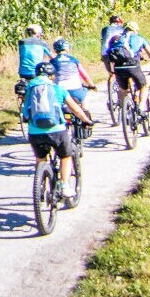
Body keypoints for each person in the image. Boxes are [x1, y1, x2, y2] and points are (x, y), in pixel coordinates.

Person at [21, 60, 91, 203]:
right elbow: (76, 109)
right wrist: (86, 120)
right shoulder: (58, 89)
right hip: (56, 130)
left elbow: (25, 114)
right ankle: (65, 185)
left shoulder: (30, 89)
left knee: (40, 159)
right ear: (52, 76)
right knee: (66, 156)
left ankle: (40, 187)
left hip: (35, 132)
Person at [118, 22, 150, 113]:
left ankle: (124, 111)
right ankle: (141, 108)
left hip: (119, 68)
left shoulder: (117, 39)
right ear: (135, 30)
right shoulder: (140, 39)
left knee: (123, 90)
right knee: (144, 85)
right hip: (133, 66)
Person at [48, 38, 95, 121]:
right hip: (75, 90)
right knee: (84, 98)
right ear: (67, 48)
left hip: (60, 90)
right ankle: (85, 116)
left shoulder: (52, 61)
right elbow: (84, 75)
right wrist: (92, 85)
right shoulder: (73, 60)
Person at [99, 14, 126, 80]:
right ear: (119, 22)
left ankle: (110, 89)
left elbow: (102, 42)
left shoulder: (105, 29)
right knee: (125, 72)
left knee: (111, 74)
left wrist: (102, 55)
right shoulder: (122, 29)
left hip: (105, 52)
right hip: (118, 52)